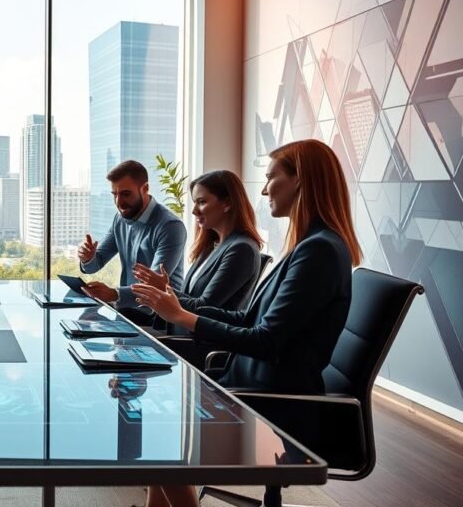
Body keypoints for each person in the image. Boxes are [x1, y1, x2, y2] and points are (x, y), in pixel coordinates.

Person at [130, 139, 363, 507]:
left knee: (160, 432)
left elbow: (265, 340)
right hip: (252, 385)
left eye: (272, 177)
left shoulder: (319, 250)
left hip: (274, 402)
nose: (265, 187)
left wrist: (183, 316)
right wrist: (177, 309)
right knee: (159, 425)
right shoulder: (307, 246)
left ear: (301, 181)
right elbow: (248, 319)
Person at [132, 170, 263, 335]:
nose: (194, 210)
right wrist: (163, 288)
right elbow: (191, 299)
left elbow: (203, 308)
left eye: (201, 202)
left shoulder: (241, 250)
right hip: (177, 334)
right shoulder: (211, 246)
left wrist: (164, 289)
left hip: (197, 344)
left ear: (227, 203)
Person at [79, 161, 187, 317]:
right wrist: (88, 258)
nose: (119, 202)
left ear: (145, 188)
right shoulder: (120, 219)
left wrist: (113, 294)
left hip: (158, 319)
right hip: (127, 313)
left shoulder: (170, 226)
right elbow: (95, 265)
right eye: (115, 195)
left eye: (125, 194)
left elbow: (154, 286)